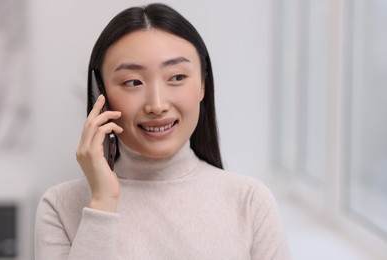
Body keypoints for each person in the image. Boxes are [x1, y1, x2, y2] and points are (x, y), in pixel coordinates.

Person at [34, 3, 291, 259]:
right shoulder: (60, 205)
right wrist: (102, 203)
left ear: (203, 84)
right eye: (133, 82)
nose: (157, 105)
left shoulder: (249, 201)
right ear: (100, 94)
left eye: (177, 77)